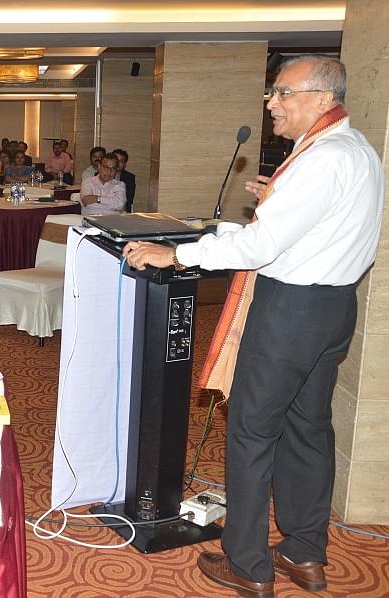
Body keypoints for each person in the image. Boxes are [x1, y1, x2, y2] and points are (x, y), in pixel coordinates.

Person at [123, 55, 383, 598]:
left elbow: (260, 246)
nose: (272, 104)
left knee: (252, 433)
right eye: (273, 93)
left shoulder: (321, 159)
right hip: (333, 308)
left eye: (283, 93)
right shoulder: (354, 148)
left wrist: (177, 255)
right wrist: (275, 202)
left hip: (291, 311)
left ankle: (248, 564)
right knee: (308, 430)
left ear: (322, 98)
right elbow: (314, 228)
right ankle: (305, 553)